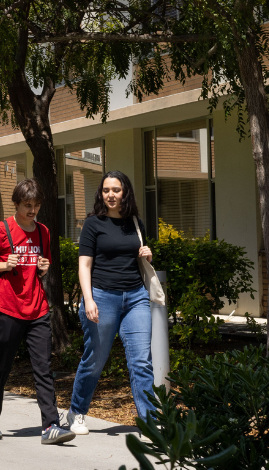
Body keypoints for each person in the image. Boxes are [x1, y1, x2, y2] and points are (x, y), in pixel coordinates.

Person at [0, 178, 76, 445]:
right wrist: (4, 264)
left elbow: (43, 264)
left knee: (43, 367)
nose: (33, 210)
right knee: (1, 367)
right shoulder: (1, 230)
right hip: (7, 308)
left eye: (37, 205)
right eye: (27, 205)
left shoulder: (43, 231)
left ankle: (50, 425)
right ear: (16, 204)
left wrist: (43, 267)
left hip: (37, 308)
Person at [60, 171, 157, 435]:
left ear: (125, 192)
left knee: (141, 362)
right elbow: (84, 265)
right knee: (95, 360)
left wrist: (147, 255)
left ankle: (149, 421)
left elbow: (138, 260)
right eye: (106, 190)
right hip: (102, 297)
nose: (111, 195)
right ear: (100, 194)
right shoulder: (93, 224)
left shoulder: (136, 223)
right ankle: (76, 412)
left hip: (136, 297)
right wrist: (88, 299)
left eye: (116, 190)